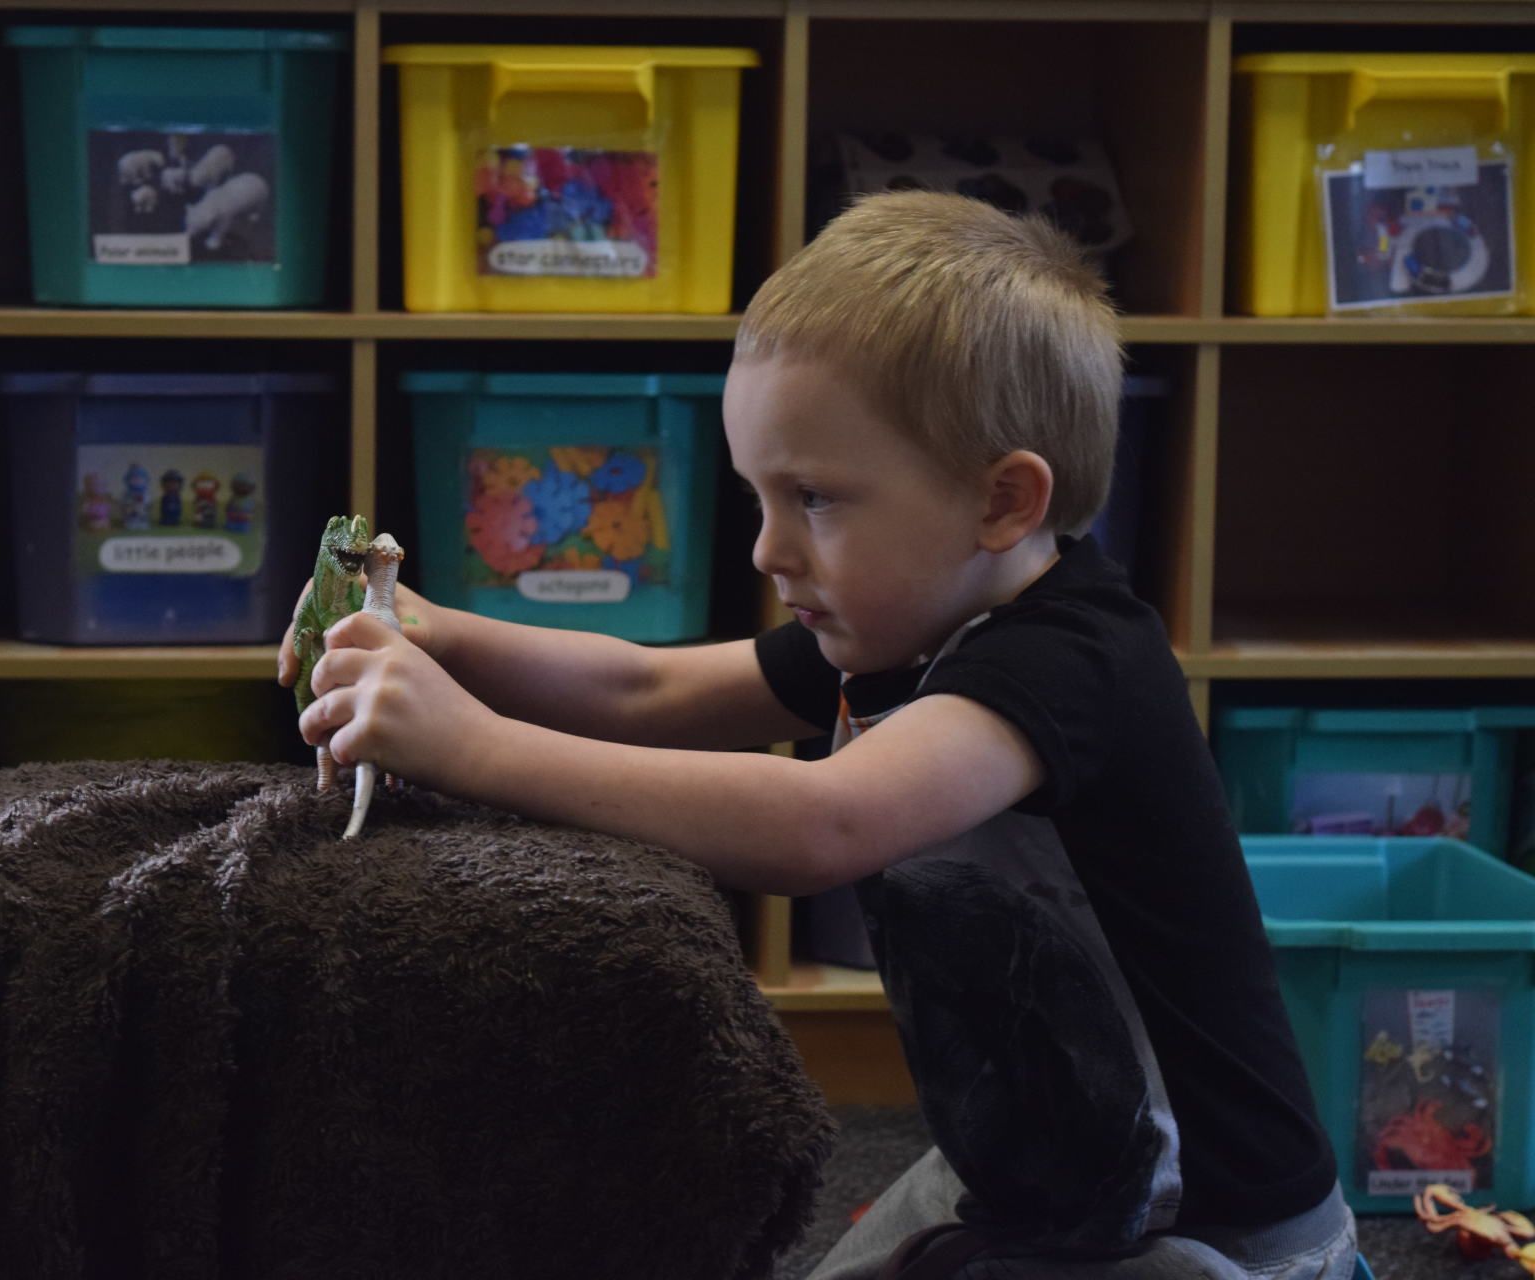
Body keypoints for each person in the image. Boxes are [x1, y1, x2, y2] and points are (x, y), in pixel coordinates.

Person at [279, 191, 1356, 1277]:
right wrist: (437, 630)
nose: (765, 549)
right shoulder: (898, 624)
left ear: (1003, 502)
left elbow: (823, 823)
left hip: (1218, 1237)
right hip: (1039, 1174)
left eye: (814, 498)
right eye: (758, 496)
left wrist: (471, 746)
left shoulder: (1075, 660)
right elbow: (647, 686)